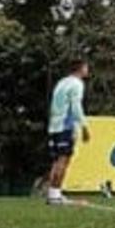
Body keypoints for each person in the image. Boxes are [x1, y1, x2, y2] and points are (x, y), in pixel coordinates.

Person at [43, 59, 91, 206]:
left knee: (57, 160)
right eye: (86, 67)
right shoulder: (77, 84)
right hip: (65, 126)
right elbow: (75, 106)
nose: (87, 70)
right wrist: (84, 126)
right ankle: (55, 195)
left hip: (54, 126)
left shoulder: (62, 82)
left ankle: (53, 194)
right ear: (80, 69)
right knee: (63, 160)